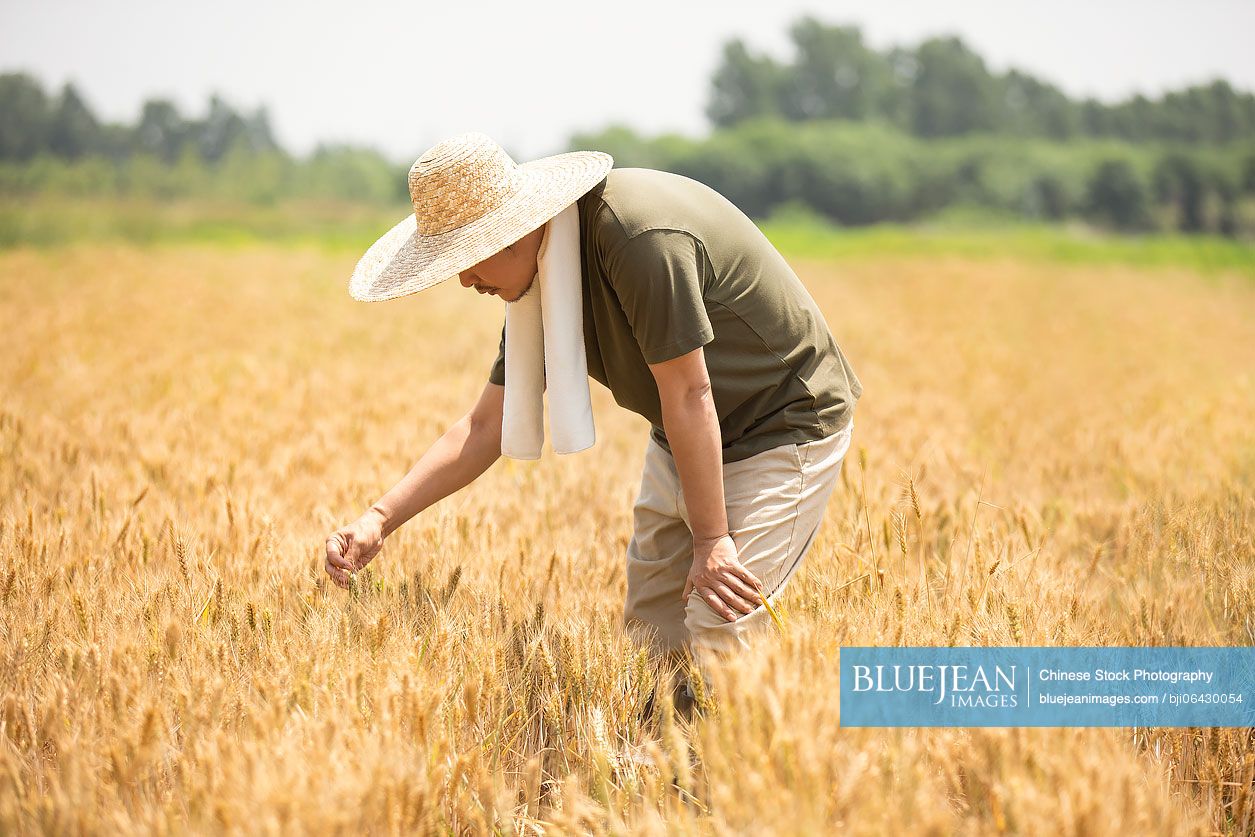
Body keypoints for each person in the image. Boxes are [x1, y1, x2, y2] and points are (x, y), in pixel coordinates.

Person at [326, 131, 862, 710]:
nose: (462, 280)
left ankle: (766, 779)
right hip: (685, 431)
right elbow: (488, 424)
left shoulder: (636, 240)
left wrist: (712, 539)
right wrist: (380, 518)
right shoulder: (540, 282)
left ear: (514, 230)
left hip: (782, 419)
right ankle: (670, 786)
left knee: (722, 623)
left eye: (466, 258)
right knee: (652, 636)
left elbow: (688, 390)